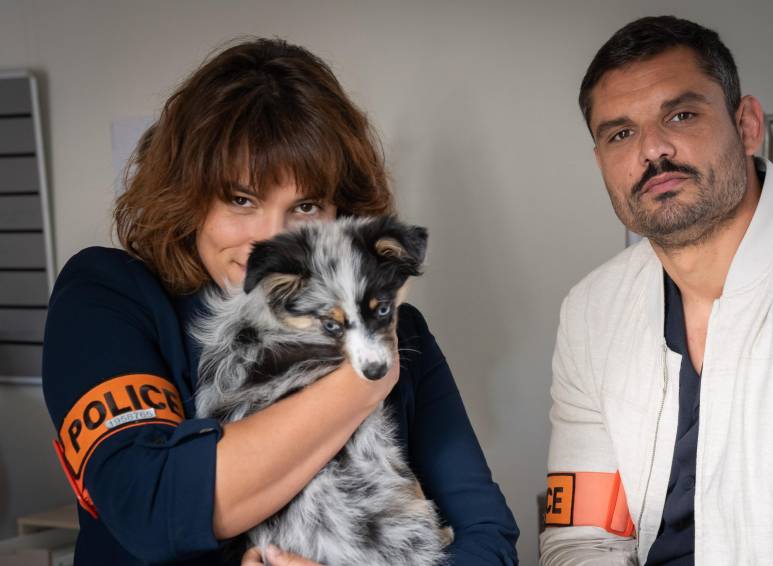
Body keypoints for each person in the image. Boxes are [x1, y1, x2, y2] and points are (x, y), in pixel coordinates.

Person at [42, 38, 519, 566]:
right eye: (241, 199)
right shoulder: (109, 298)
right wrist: (362, 384)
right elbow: (152, 507)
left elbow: (490, 538)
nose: (272, 241)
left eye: (306, 206)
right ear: (188, 196)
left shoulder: (401, 332)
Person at [540, 15, 773, 565]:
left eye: (680, 115)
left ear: (747, 124)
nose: (653, 150)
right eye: (620, 134)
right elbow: (583, 539)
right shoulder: (591, 311)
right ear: (601, 162)